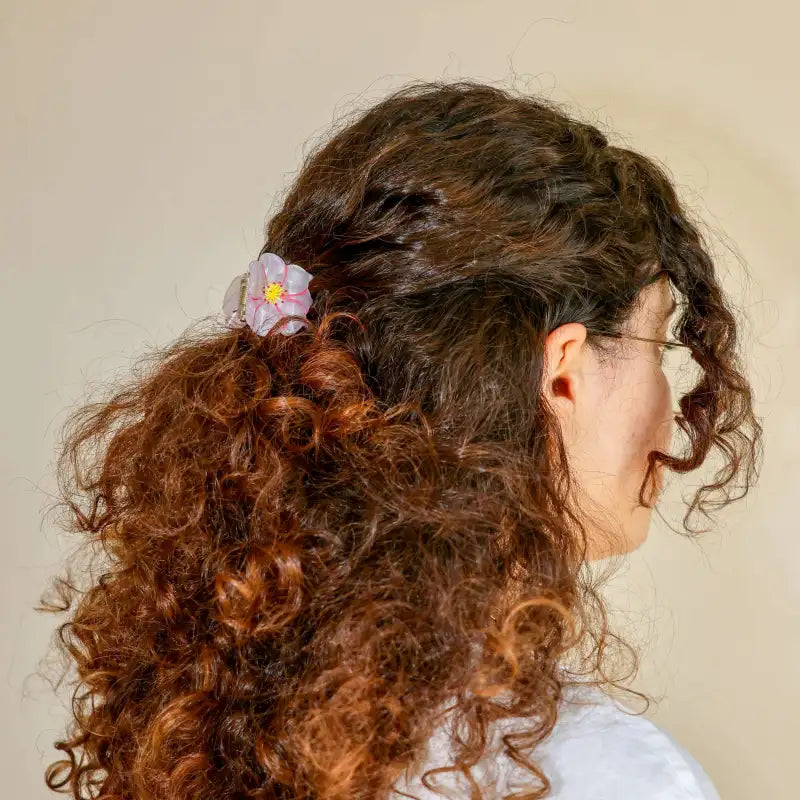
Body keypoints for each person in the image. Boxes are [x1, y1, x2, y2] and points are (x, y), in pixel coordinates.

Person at [39, 80, 762, 799]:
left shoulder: (218, 724)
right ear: (563, 371)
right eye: (656, 344)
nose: (670, 407)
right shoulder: (607, 777)